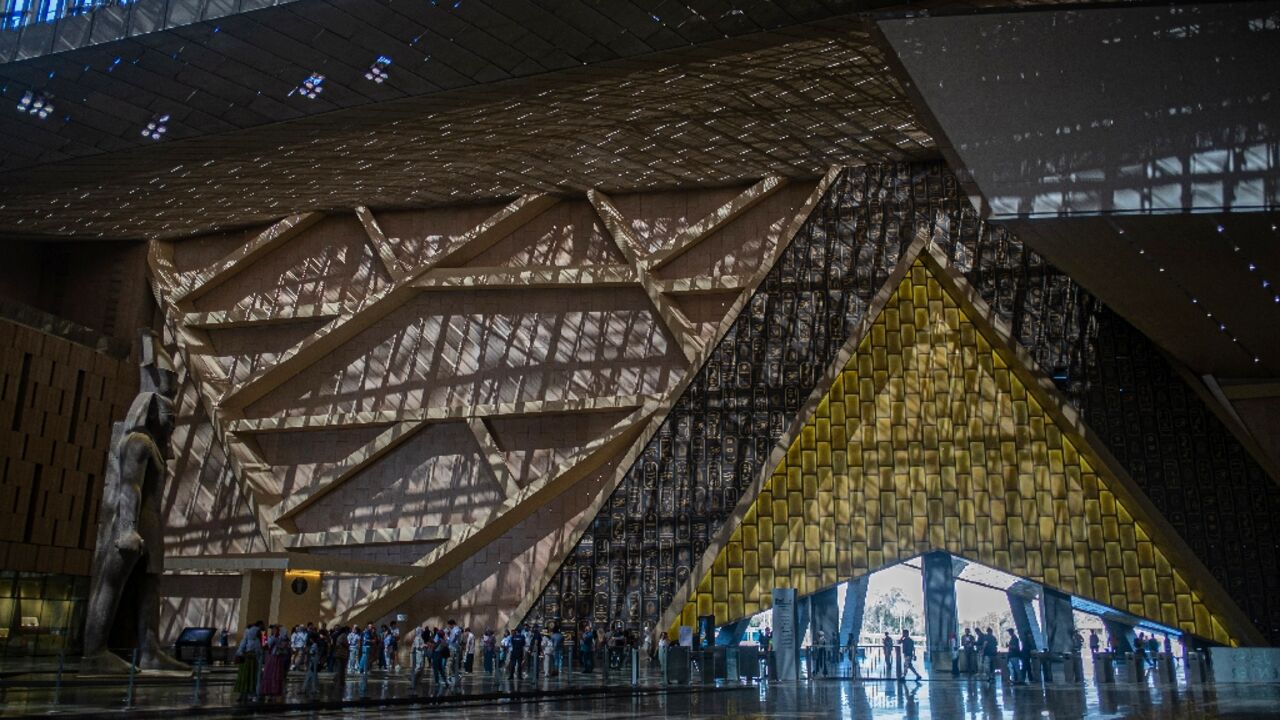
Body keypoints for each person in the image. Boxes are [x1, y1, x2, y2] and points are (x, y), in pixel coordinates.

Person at [234, 622, 264, 702]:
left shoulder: (253, 639)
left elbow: (260, 650)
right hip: (249, 660)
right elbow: (242, 649)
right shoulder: (252, 639)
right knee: (248, 677)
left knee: (248, 677)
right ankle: (246, 694)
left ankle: (247, 694)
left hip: (250, 660)